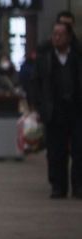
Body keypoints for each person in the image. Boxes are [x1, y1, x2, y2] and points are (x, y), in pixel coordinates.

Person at [31, 21, 82, 199]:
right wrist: (38, 107)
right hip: (54, 111)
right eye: (54, 34)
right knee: (55, 151)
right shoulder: (45, 58)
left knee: (79, 150)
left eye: (60, 34)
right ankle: (58, 186)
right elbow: (36, 84)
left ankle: (78, 186)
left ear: (69, 37)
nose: (56, 37)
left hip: (76, 110)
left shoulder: (77, 56)